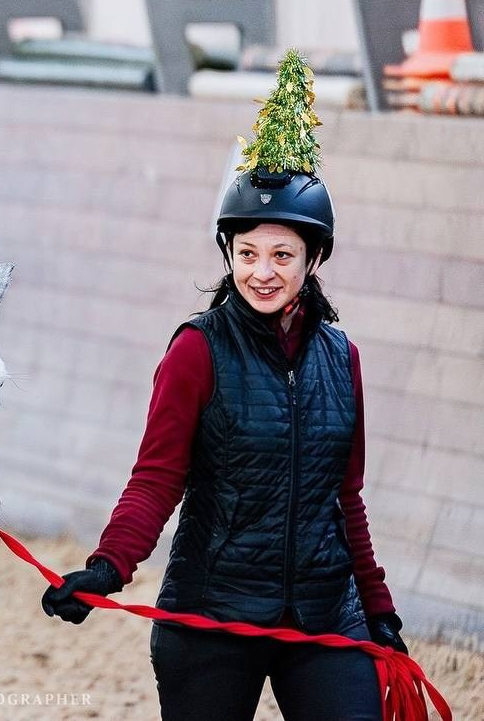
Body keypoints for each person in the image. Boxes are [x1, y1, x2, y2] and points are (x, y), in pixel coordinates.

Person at [41, 53, 406, 720]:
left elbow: (345, 495)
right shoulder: (196, 350)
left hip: (325, 614)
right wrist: (108, 566)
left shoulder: (341, 356)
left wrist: (377, 608)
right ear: (228, 254)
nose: (262, 271)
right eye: (247, 253)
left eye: (282, 255)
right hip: (213, 616)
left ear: (314, 258)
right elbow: (156, 479)